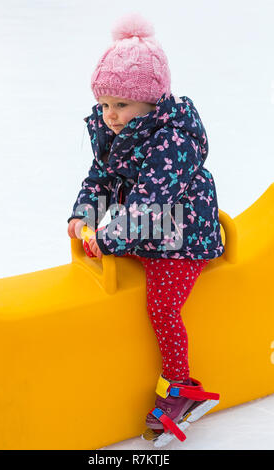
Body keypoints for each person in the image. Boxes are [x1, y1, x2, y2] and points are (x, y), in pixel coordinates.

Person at [67, 12, 224, 444]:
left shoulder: (173, 140)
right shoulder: (113, 129)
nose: (110, 116)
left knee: (161, 306)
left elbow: (150, 206)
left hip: (180, 235)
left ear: (152, 102)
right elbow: (100, 177)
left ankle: (182, 388)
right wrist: (84, 215)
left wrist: (108, 235)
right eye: (104, 104)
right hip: (137, 228)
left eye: (121, 105)